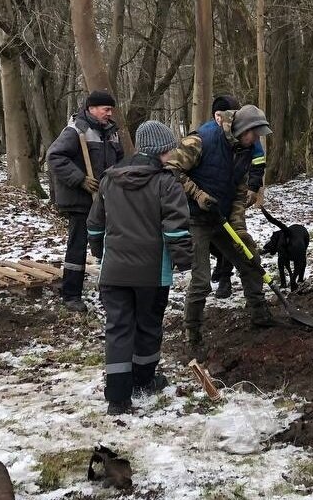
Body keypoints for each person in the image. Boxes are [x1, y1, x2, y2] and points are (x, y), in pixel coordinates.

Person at [86, 120, 191, 415]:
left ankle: (118, 399)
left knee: (118, 329)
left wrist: (99, 251)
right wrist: (184, 260)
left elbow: (95, 224)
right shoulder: (166, 182)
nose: (171, 154)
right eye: (169, 149)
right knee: (147, 326)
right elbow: (175, 229)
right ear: (161, 150)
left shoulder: (109, 179)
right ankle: (143, 382)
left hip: (114, 272)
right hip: (151, 273)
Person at [166, 105, 276, 356]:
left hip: (221, 217)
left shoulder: (244, 150)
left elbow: (239, 191)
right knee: (202, 280)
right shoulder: (201, 140)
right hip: (194, 218)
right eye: (254, 134)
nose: (256, 139)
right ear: (241, 129)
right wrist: (197, 194)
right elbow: (170, 169)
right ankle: (193, 337)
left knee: (250, 259)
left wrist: (239, 228)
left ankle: (260, 314)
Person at [47, 90, 124, 312]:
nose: (109, 114)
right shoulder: (76, 131)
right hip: (81, 200)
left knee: (109, 245)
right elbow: (54, 157)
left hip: (105, 199)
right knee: (78, 247)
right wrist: (79, 179)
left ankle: (109, 289)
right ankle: (71, 294)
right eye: (105, 109)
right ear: (91, 109)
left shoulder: (112, 132)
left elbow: (118, 162)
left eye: (111, 110)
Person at [206, 95, 267, 299]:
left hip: (232, 201)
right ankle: (222, 267)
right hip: (206, 207)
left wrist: (253, 186)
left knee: (237, 240)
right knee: (215, 243)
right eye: (216, 115)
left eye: (223, 115)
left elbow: (256, 162)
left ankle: (227, 278)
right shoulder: (207, 136)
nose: (219, 119)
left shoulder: (248, 141)